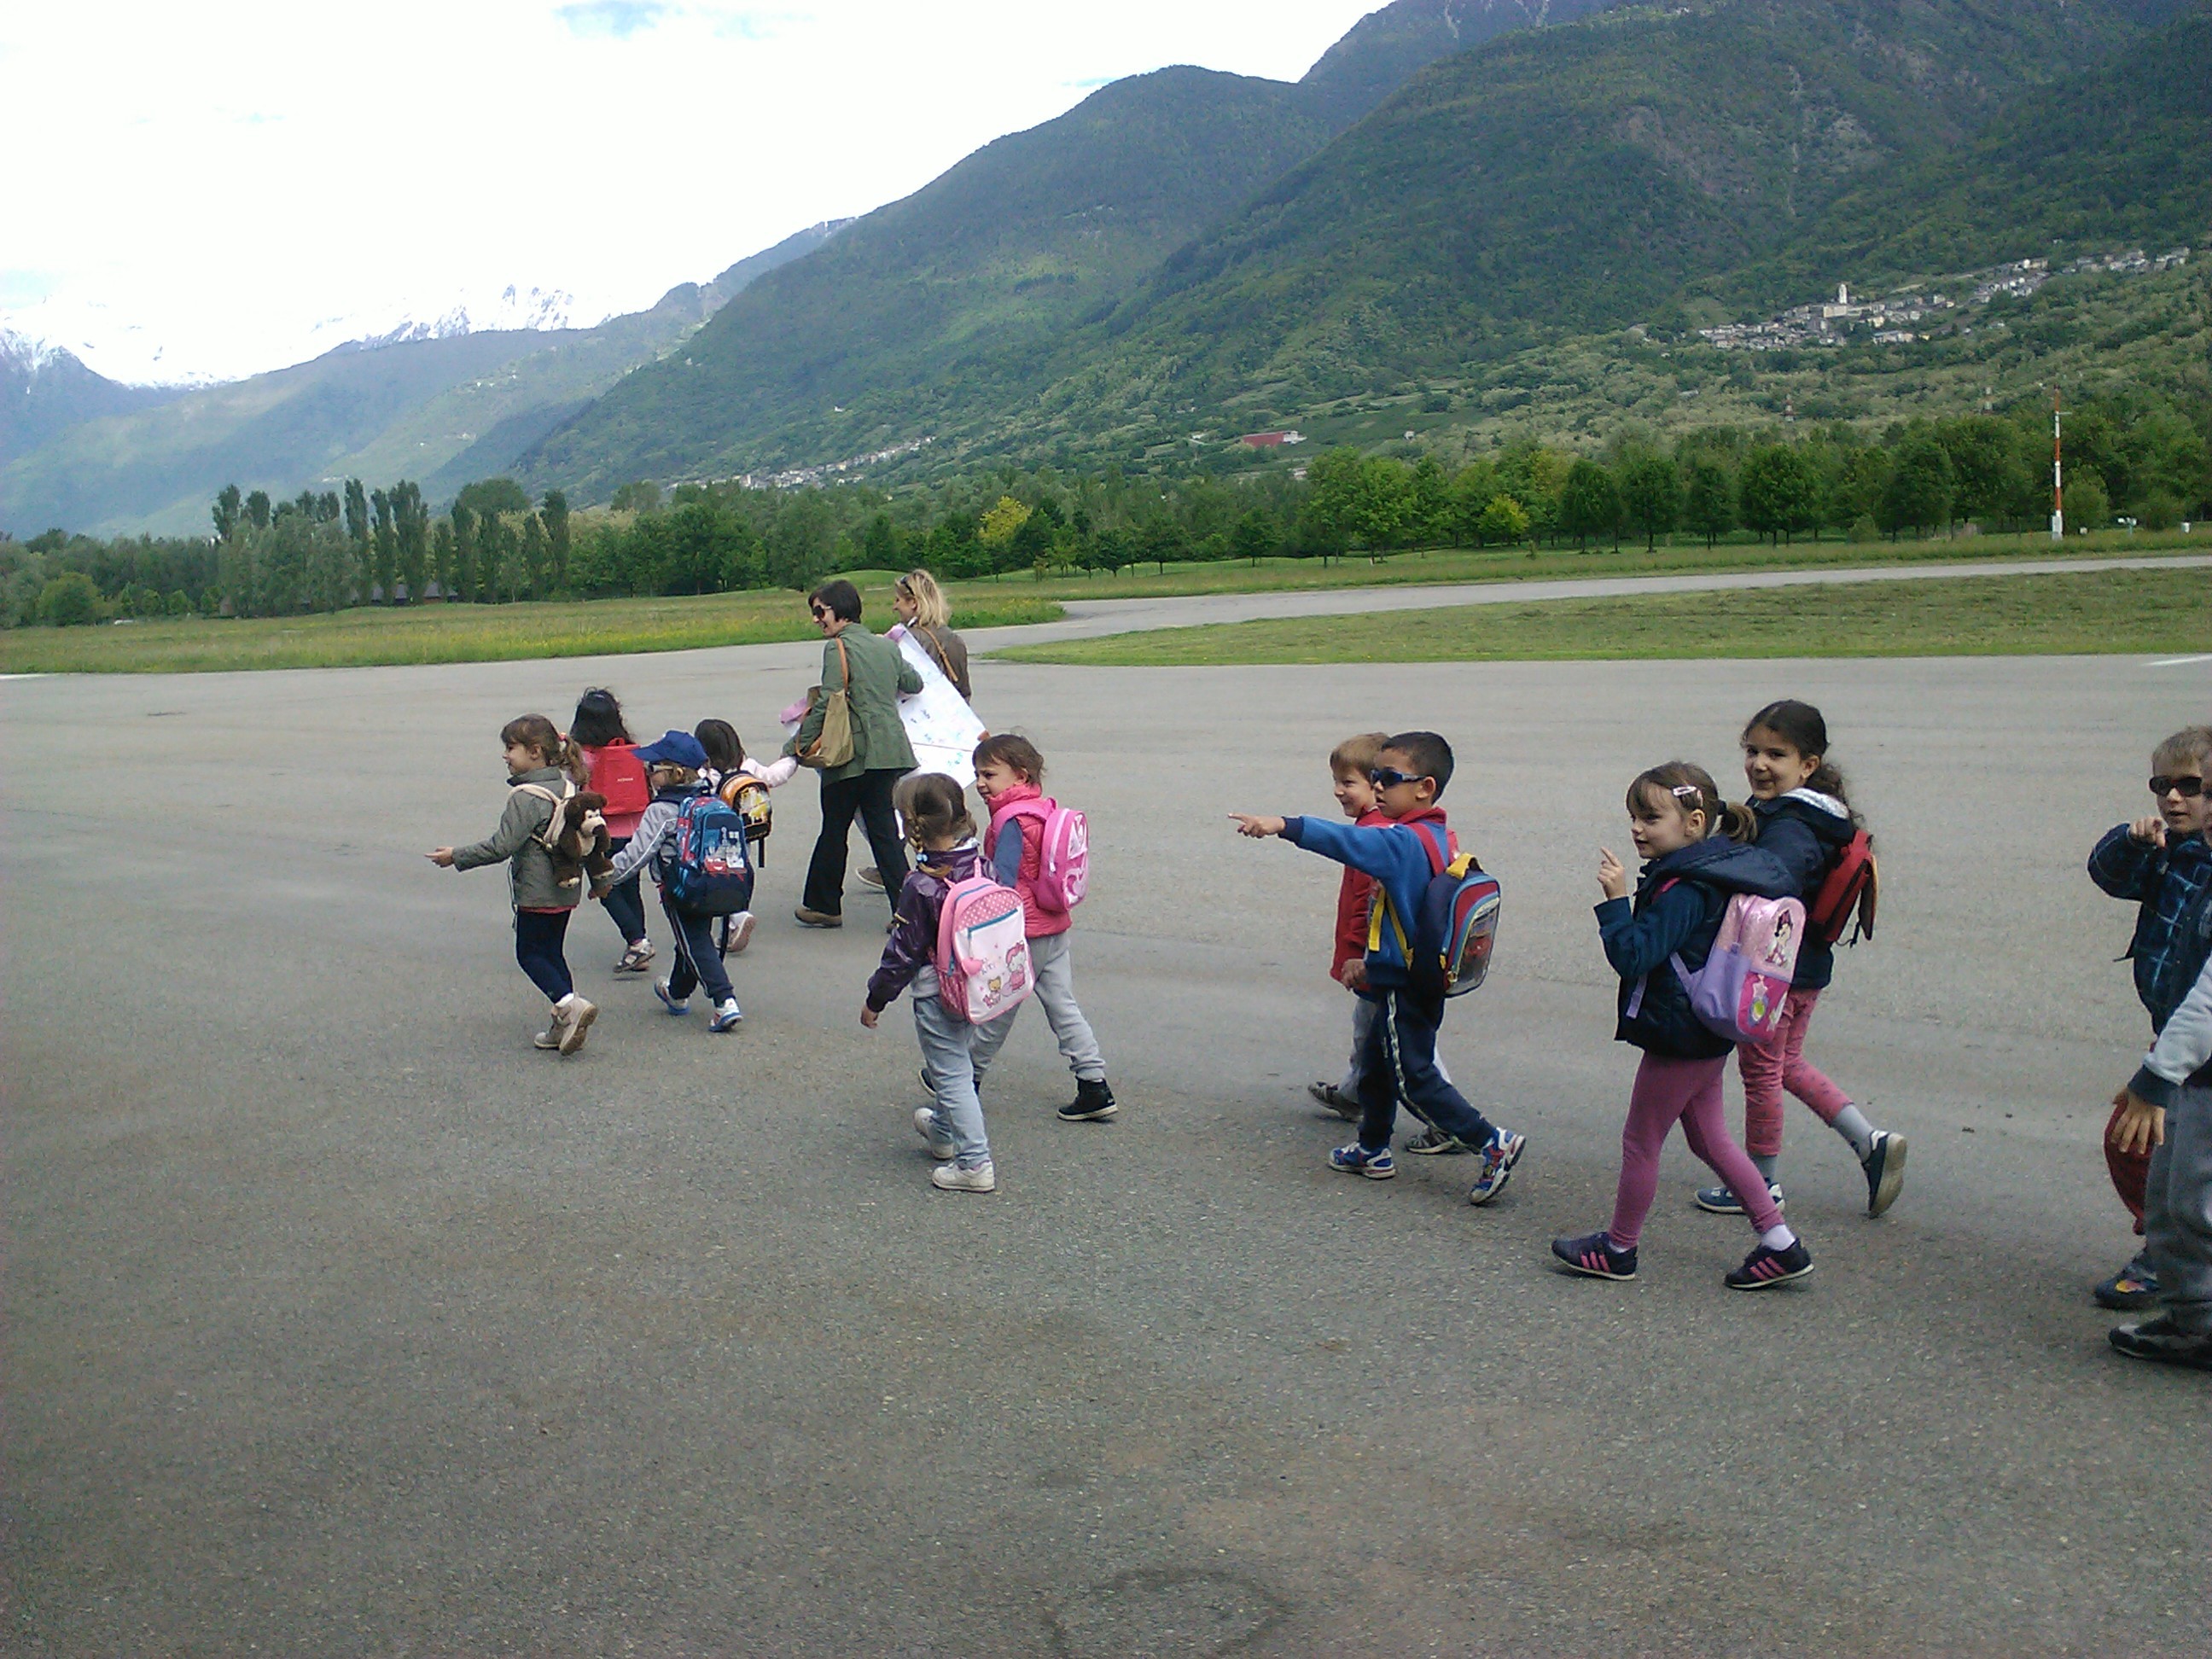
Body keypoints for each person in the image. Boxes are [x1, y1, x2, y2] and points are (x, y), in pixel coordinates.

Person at [1231, 731, 1527, 1204]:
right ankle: (1372, 1149)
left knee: (1414, 1077)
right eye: (1374, 777)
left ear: (1425, 788)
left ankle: (1492, 1142)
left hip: (1402, 984)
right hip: (1421, 976)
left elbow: (1345, 841)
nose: (1378, 786)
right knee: (1375, 1068)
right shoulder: (1435, 835)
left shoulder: (1402, 842)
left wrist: (1281, 825)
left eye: (1388, 778)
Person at [1551, 762, 1813, 1289]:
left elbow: (1634, 955)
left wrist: (1615, 902)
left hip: (1681, 1035)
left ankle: (1619, 1248)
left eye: (1651, 818)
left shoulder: (1685, 889)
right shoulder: (1716, 868)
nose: (1637, 828)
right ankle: (1780, 1244)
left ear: (1694, 822)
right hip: (1707, 1028)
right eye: (1633, 816)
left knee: (1640, 1141)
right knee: (1710, 1141)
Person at [1697, 700, 1906, 1220]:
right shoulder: (1815, 813)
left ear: (1808, 765)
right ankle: (1870, 1142)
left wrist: (1710, 864)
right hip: (1805, 968)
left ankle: (1760, 1183)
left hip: (1774, 972)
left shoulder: (1792, 826)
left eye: (1776, 755)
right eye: (1752, 751)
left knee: (1761, 1073)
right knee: (1785, 1064)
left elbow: (1775, 878)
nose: (1759, 764)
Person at [2087, 725, 2212, 1309]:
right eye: (2163, 786)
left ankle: (2174, 1264)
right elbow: (2108, 875)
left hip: (2196, 1048)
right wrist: (2130, 843)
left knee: (2172, 1165)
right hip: (2174, 1036)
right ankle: (2167, 1247)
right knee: (2135, 1146)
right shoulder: (2168, 854)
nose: (2173, 798)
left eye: (2191, 786)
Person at [1306, 731, 1461, 1145]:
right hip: (1387, 961)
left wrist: (1358, 956)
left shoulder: (1381, 839)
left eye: (1350, 782)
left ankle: (1451, 1123)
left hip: (1382, 963)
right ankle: (1356, 1100)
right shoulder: (1402, 830)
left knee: (1406, 1047)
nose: (1339, 791)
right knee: (1371, 1033)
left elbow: (1369, 907)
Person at [862, 773, 1011, 1194]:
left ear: (912, 826)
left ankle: (974, 1163)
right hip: (981, 984)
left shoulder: (922, 884)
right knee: (959, 1061)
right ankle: (943, 1131)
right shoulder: (982, 865)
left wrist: (876, 998)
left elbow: (903, 953)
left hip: (938, 991)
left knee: (950, 1073)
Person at [966, 735, 1118, 1122]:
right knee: (1064, 1006)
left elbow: (1003, 879)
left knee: (997, 1008)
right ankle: (1094, 1084)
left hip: (1022, 932)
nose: (981, 783)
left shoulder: (1010, 820)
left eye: (989, 775)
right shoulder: (1044, 809)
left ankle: (965, 1077)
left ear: (1020, 775)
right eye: (978, 775)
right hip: (1054, 925)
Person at [426, 713, 598, 1055]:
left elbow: (501, 846)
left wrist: (456, 856)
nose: (505, 755)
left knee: (529, 954)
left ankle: (569, 1006)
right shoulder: (567, 787)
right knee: (552, 953)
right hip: (567, 890)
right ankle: (563, 1022)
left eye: (511, 748)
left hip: (537, 891)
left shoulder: (525, 797)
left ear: (535, 752)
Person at [785, 579, 923, 928]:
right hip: (888, 752)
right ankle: (907, 911)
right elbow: (914, 683)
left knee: (834, 829)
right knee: (884, 833)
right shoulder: (886, 647)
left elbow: (828, 702)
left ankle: (824, 905)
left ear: (841, 611)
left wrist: (797, 746)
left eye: (821, 612)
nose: (816, 619)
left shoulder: (837, 648)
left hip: (850, 754)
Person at [594, 731, 743, 1033]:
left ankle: (724, 1000)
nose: (648, 774)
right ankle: (676, 993)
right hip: (714, 882)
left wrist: (605, 879)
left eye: (652, 768)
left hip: (680, 888)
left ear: (673, 773)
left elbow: (638, 854)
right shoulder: (711, 798)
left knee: (695, 943)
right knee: (690, 939)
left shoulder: (661, 810)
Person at [2106, 945, 2212, 1369]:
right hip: (2195, 1075)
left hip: (2197, 1074)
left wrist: (2159, 1074)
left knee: (2192, 1209)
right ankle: (2194, 1321)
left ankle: (2200, 1322)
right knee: (2171, 1203)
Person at [859, 568, 973, 894]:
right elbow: (963, 691)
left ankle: (902, 869)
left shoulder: (907, 641)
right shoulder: (953, 638)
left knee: (895, 805)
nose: (895, 606)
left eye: (899, 600)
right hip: (945, 735)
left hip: (913, 733)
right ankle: (929, 865)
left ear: (914, 603)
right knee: (939, 801)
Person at [693, 719, 797, 958]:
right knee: (739, 873)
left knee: (718, 879)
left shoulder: (705, 775)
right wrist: (793, 758)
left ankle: (738, 917)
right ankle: (734, 923)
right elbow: (775, 776)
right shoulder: (748, 766)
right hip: (744, 834)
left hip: (714, 838)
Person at [570, 688, 655, 975]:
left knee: (604, 886)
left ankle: (637, 941)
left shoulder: (584, 757)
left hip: (603, 832)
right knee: (630, 887)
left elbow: (571, 782)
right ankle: (639, 942)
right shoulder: (632, 750)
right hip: (637, 830)